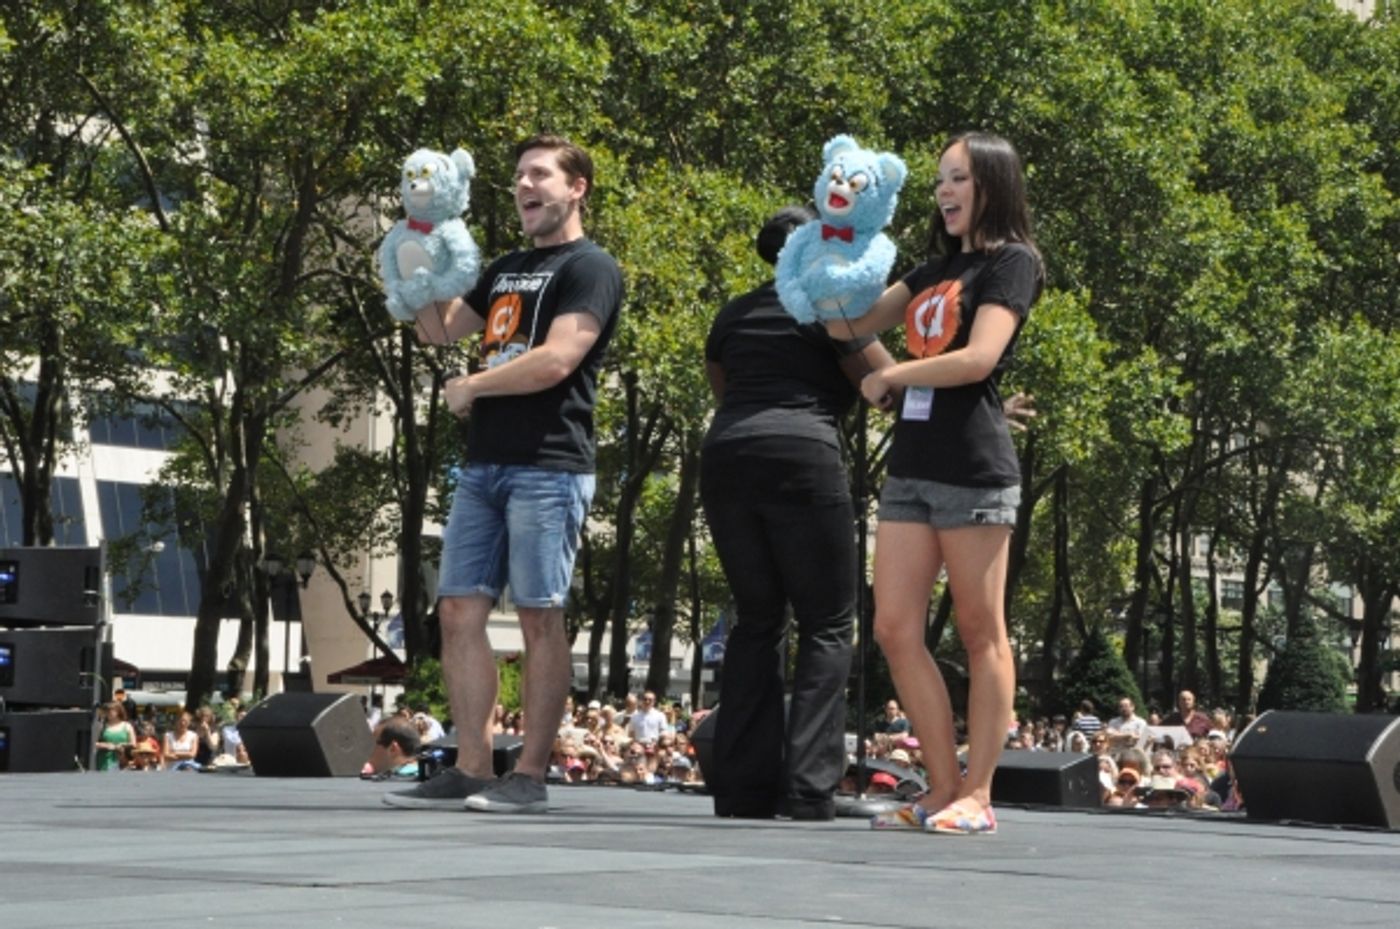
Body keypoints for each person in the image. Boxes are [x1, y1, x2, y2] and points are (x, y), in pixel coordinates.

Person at [384, 134, 623, 815]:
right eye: (518, 175)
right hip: (484, 465)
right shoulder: (506, 267)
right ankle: (470, 766)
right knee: (457, 610)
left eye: (539, 174)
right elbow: (439, 330)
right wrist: (415, 263)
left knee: (540, 615)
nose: (524, 185)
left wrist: (475, 386)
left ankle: (531, 774)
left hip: (548, 465)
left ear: (576, 188)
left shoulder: (591, 266)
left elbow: (558, 359)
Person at [828, 132, 1044, 836]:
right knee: (893, 628)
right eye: (940, 180)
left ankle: (979, 795)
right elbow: (848, 321)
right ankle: (941, 787)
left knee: (982, 632)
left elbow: (979, 358)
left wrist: (892, 374)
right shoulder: (932, 270)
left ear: (992, 185)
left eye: (958, 178)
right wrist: (828, 248)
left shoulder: (1013, 263)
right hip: (912, 467)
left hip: (974, 469)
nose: (944, 191)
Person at [701, 205, 897, 821]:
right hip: (804, 456)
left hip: (728, 456)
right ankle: (810, 789)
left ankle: (742, 790)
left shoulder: (733, 313)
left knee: (757, 620)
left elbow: (723, 390)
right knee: (829, 622)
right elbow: (888, 384)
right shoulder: (833, 308)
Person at [94, 701, 136, 772]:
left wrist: (121, 745)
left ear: (118, 711)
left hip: (122, 760)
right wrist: (108, 746)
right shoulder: (102, 726)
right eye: (106, 711)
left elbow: (133, 744)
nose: (108, 713)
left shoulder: (127, 726)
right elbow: (94, 743)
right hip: (105, 760)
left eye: (110, 711)